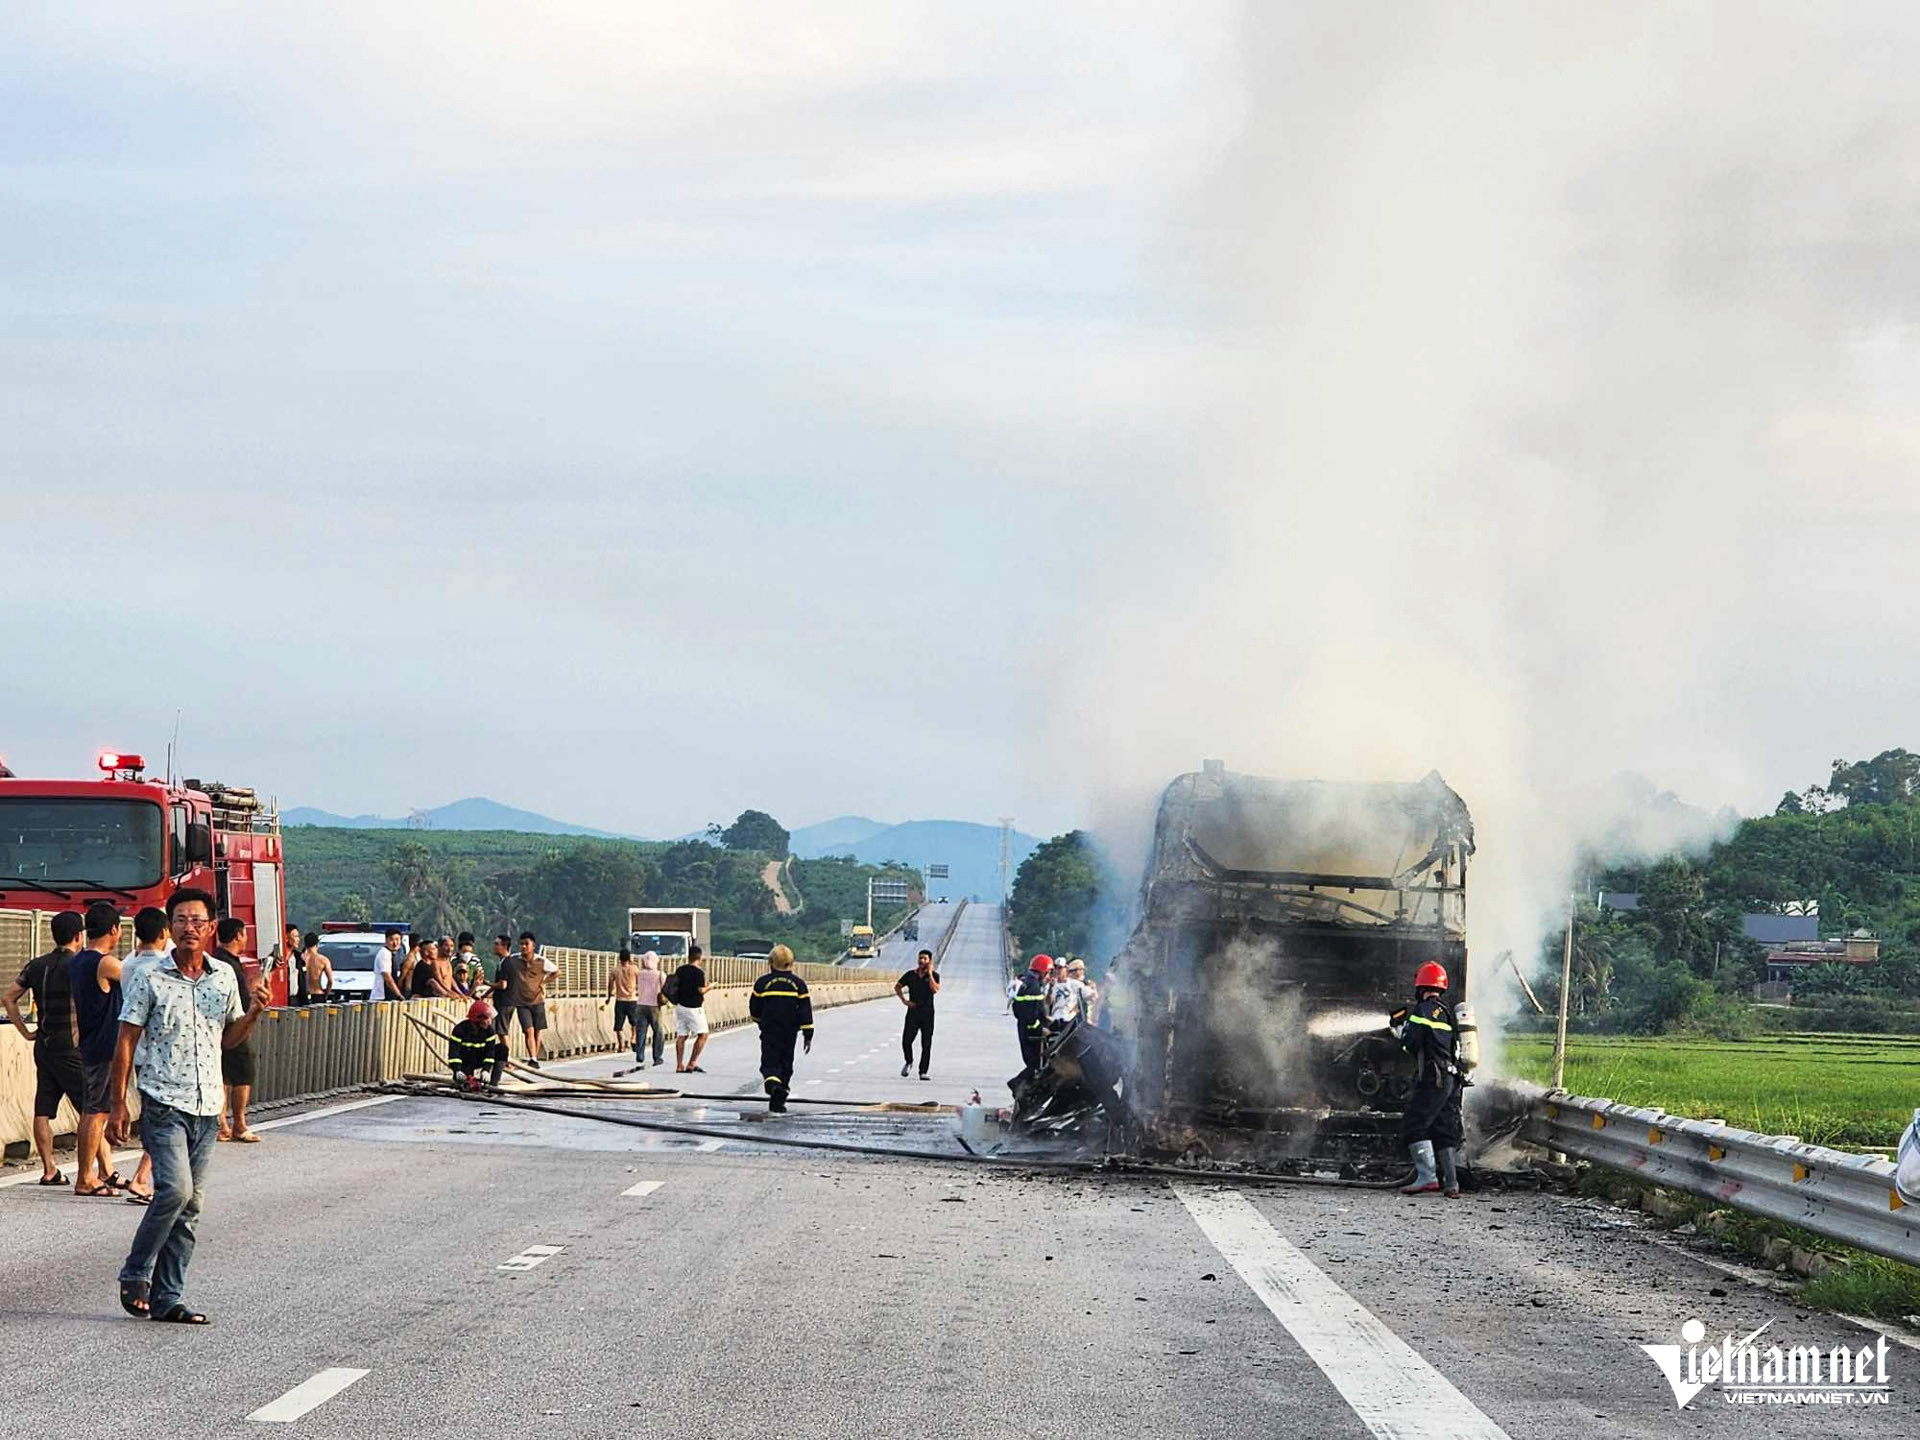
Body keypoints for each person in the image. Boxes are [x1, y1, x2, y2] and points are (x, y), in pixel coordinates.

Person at [107, 887, 270, 1323]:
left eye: (197, 921)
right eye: (180, 920)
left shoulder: (223, 978)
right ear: (170, 926)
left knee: (191, 1207)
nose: (189, 928)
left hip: (207, 1104)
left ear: (211, 928)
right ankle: (135, 1271)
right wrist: (118, 1104)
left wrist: (253, 1013)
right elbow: (126, 1039)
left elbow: (227, 1039)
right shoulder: (150, 976)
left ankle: (168, 1298)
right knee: (175, 1191)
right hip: (163, 1099)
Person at [3, 909, 87, 1188]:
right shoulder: (80, 966)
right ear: (78, 936)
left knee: (44, 1108)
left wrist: (25, 1031)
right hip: (72, 1047)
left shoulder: (37, 965)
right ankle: (97, 1171)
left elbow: (9, 997)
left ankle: (50, 1169)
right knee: (91, 1110)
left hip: (43, 1044)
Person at [68, 902, 127, 1196]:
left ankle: (100, 1171)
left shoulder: (78, 961)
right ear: (114, 929)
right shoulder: (105, 963)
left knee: (93, 1110)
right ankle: (84, 1178)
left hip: (91, 1042)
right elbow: (138, 978)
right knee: (97, 1112)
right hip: (105, 1046)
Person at [1392, 961, 1464, 1197]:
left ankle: (1427, 1178)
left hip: (1434, 1078)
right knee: (1444, 1129)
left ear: (1420, 987)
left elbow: (1411, 1044)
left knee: (1415, 1123)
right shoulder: (1447, 1012)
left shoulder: (1422, 1011)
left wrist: (1400, 1033)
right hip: (1452, 1079)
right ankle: (1452, 1184)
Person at [210, 918, 261, 1143]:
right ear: (239, 935)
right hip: (234, 1025)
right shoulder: (227, 963)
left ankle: (221, 1124)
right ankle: (239, 1123)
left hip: (217, 1025)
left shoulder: (215, 960)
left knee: (222, 1076)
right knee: (243, 1074)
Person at [748, 945, 812, 1113]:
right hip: (790, 1032)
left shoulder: (763, 983)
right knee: (786, 1063)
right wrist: (807, 1033)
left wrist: (760, 1022)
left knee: (769, 1063)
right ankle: (781, 1090)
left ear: (770, 962)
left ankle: (774, 1086)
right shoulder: (798, 984)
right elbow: (805, 1009)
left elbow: (754, 1007)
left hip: (770, 1030)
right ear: (791, 963)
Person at [497, 932, 549, 1068]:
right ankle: (532, 1057)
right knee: (528, 1030)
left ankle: (534, 1058)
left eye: (527, 944)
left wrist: (543, 982)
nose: (523, 947)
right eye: (521, 944)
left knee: (537, 1031)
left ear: (533, 946)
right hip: (522, 1003)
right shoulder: (513, 960)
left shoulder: (541, 961)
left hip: (537, 1001)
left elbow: (556, 972)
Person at [895, 948, 940, 1080]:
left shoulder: (934, 976)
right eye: (920, 958)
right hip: (913, 1012)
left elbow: (935, 989)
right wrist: (904, 1000)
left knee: (926, 1043)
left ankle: (923, 1071)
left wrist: (930, 973)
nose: (921, 961)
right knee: (906, 1041)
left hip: (927, 1013)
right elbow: (897, 986)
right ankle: (909, 1061)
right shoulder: (910, 975)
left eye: (925, 959)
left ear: (929, 961)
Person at [448, 999, 507, 1090]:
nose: (489, 1022)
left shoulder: (489, 1031)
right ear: (478, 1019)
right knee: (467, 1085)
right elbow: (454, 1054)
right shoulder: (460, 1030)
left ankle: (493, 1085)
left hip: (479, 1058)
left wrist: (486, 1070)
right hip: (465, 1061)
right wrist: (457, 1070)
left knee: (502, 1049)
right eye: (487, 1018)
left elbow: (490, 1053)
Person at [669, 944, 711, 1073]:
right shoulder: (699, 972)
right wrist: (710, 987)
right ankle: (692, 1063)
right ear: (700, 958)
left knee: (682, 1036)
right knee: (703, 1035)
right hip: (694, 1008)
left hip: (680, 1006)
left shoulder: (680, 970)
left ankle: (679, 1064)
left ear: (689, 956)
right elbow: (700, 990)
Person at [1011, 954, 1052, 1074]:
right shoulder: (1033, 987)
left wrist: (1046, 1018)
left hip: (1024, 1030)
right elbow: (1030, 1016)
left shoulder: (1025, 982)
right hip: (1032, 1035)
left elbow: (1019, 1010)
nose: (1049, 977)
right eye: (1048, 973)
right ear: (1042, 971)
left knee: (1032, 1065)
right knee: (1036, 1067)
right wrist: (1041, 1029)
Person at [630, 950, 666, 1069]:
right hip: (655, 1006)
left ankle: (640, 1055)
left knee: (641, 1031)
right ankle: (657, 1056)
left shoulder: (640, 974)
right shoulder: (661, 974)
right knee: (658, 1032)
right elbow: (665, 989)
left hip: (640, 1005)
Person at [604, 946, 640, 1047]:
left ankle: (621, 1045)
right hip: (632, 999)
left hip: (620, 1000)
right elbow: (640, 981)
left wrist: (609, 997)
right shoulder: (634, 969)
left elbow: (610, 984)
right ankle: (633, 1037)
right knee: (634, 1022)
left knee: (618, 1025)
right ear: (629, 958)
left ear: (619, 958)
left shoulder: (615, 970)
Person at [1047, 959, 1090, 1032]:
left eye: (1060, 968)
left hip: (1069, 1021)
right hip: (1055, 1020)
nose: (1057, 971)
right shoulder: (1051, 985)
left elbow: (1091, 995)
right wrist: (1050, 988)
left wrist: (1077, 1006)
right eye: (1056, 968)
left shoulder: (1074, 984)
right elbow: (1048, 1002)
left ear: (1065, 969)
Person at [372, 927, 404, 1003]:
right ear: (386, 940)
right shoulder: (384, 954)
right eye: (392, 939)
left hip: (389, 995)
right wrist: (399, 995)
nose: (395, 943)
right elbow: (387, 977)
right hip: (382, 997)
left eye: (397, 939)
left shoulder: (393, 954)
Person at [301, 931, 333, 1004]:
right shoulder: (323, 960)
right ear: (317, 944)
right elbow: (330, 981)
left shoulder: (300, 958)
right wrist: (326, 994)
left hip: (302, 994)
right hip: (318, 993)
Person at [284, 923, 308, 1006]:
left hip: (296, 1001)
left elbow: (303, 982)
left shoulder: (299, 958)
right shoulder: (278, 959)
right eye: (296, 936)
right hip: (282, 1001)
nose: (298, 939)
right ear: (286, 938)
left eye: (298, 937)